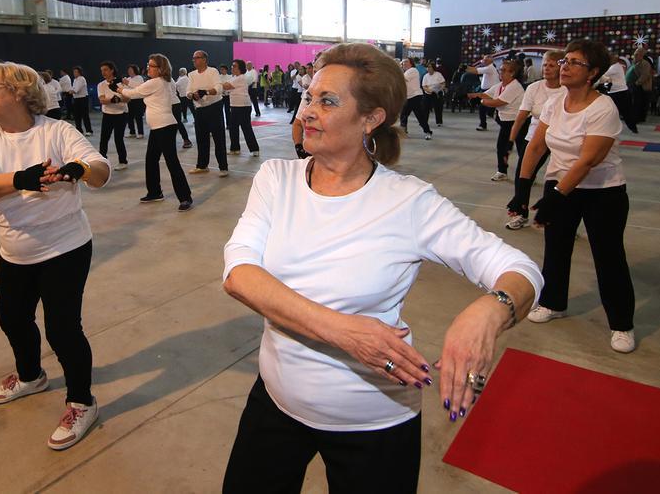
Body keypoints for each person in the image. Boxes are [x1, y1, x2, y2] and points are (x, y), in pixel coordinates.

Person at [221, 43, 542, 492]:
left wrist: (488, 313)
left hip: (373, 424)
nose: (307, 111)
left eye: (327, 101)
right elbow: (239, 274)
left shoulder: (409, 201)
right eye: (309, 97)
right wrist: (344, 331)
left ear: (371, 118)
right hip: (276, 403)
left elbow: (519, 268)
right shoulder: (277, 178)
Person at [0, 61, 110, 451]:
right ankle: (31, 377)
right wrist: (22, 179)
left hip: (65, 246)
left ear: (18, 92)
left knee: (62, 330)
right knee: (12, 319)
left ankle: (82, 401)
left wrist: (78, 169)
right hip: (14, 248)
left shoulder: (57, 130)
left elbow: (100, 170)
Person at [515, 39, 637, 353]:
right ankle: (554, 302)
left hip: (603, 193)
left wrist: (555, 197)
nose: (564, 66)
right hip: (560, 186)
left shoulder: (603, 107)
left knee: (609, 258)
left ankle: (621, 324)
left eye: (574, 63)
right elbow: (536, 146)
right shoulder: (555, 103)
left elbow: (588, 160)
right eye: (564, 60)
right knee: (556, 249)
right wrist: (522, 189)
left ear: (593, 72)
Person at [118, 54, 194, 211]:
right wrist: (127, 87)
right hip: (158, 127)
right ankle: (154, 192)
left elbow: (133, 94)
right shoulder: (164, 81)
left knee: (172, 162)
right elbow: (140, 90)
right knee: (151, 160)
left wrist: (119, 88)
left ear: (160, 68)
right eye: (148, 64)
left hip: (164, 127)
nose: (148, 68)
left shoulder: (156, 82)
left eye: (151, 65)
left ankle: (185, 197)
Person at [505, 51, 564, 230]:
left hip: (561, 139)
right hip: (535, 137)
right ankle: (521, 214)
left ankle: (564, 221)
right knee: (523, 176)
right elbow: (522, 116)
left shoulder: (567, 89)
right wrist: (510, 141)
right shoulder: (534, 88)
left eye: (552, 65)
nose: (546, 68)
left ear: (561, 66)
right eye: (545, 64)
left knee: (559, 179)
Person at [468, 61, 525, 182]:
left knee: (522, 150)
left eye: (504, 70)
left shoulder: (515, 86)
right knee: (502, 147)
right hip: (506, 121)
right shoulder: (500, 85)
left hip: (519, 121)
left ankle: (528, 174)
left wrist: (482, 101)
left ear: (512, 73)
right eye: (500, 70)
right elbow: (486, 94)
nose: (501, 72)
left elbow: (498, 102)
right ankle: (502, 171)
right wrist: (472, 95)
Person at [187, 50, 228, 176]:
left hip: (214, 107)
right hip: (199, 108)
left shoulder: (213, 71)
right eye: (193, 58)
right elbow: (188, 91)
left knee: (218, 137)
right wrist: (192, 95)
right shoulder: (192, 74)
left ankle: (223, 167)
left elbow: (219, 87)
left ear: (204, 59)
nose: (194, 60)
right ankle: (202, 165)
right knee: (201, 138)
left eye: (197, 58)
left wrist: (206, 92)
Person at [96, 62, 129, 170]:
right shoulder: (101, 85)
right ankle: (102, 160)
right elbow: (102, 100)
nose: (103, 72)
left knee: (118, 138)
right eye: (101, 70)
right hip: (107, 115)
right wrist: (114, 99)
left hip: (121, 114)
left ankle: (123, 161)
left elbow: (127, 98)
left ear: (112, 70)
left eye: (105, 70)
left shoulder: (122, 83)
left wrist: (116, 99)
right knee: (104, 139)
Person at [224, 59, 260, 157]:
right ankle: (235, 148)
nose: (232, 67)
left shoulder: (241, 78)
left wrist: (215, 84)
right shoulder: (233, 77)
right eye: (232, 66)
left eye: (234, 66)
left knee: (246, 128)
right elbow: (226, 86)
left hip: (243, 106)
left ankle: (254, 149)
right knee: (233, 127)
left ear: (240, 68)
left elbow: (226, 86)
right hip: (235, 105)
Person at [600, 53, 637, 133]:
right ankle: (632, 128)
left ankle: (632, 128)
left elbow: (602, 75)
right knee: (622, 112)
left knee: (621, 112)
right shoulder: (617, 66)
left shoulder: (614, 67)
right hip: (619, 92)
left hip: (618, 93)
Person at [399, 58, 433, 139]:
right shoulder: (406, 72)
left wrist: (396, 70)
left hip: (415, 97)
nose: (404, 64)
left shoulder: (412, 70)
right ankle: (404, 132)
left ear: (411, 63)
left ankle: (428, 132)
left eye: (406, 62)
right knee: (404, 115)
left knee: (418, 116)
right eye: (403, 62)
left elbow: (402, 79)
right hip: (409, 97)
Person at [466, 54, 498, 130]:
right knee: (484, 108)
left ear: (490, 61)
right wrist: (466, 68)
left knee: (483, 108)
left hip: (490, 90)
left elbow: (476, 71)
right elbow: (475, 69)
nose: (484, 61)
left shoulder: (490, 68)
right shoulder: (488, 68)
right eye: (484, 59)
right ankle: (484, 123)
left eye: (485, 60)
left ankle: (483, 125)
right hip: (487, 90)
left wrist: (465, 68)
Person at [627, 47, 653, 124]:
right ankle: (633, 116)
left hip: (640, 86)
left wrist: (637, 83)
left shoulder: (645, 63)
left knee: (639, 103)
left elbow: (645, 75)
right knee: (633, 102)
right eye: (635, 54)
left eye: (637, 54)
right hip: (632, 86)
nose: (635, 56)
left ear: (641, 55)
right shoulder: (634, 62)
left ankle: (638, 118)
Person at [421, 61, 446, 127]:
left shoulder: (438, 74)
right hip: (428, 93)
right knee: (425, 108)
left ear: (433, 68)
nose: (428, 68)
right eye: (427, 67)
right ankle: (424, 122)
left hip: (437, 93)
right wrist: (428, 90)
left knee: (438, 108)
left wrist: (440, 88)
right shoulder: (425, 76)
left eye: (429, 67)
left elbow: (443, 83)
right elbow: (424, 86)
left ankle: (439, 121)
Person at [124, 65, 146, 138]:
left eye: (131, 70)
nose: (129, 71)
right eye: (128, 70)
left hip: (138, 100)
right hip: (129, 100)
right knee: (129, 117)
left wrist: (128, 83)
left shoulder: (139, 78)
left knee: (138, 117)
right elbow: (125, 88)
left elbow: (139, 87)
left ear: (135, 70)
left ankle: (140, 133)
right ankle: (132, 132)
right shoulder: (128, 78)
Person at [70, 66, 93, 136]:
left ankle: (89, 130)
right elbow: (72, 89)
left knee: (85, 115)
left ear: (79, 72)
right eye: (74, 72)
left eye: (76, 72)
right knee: (77, 116)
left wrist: (71, 91)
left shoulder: (81, 79)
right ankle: (79, 130)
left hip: (82, 99)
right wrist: (71, 91)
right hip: (76, 99)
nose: (74, 73)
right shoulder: (75, 80)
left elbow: (75, 90)